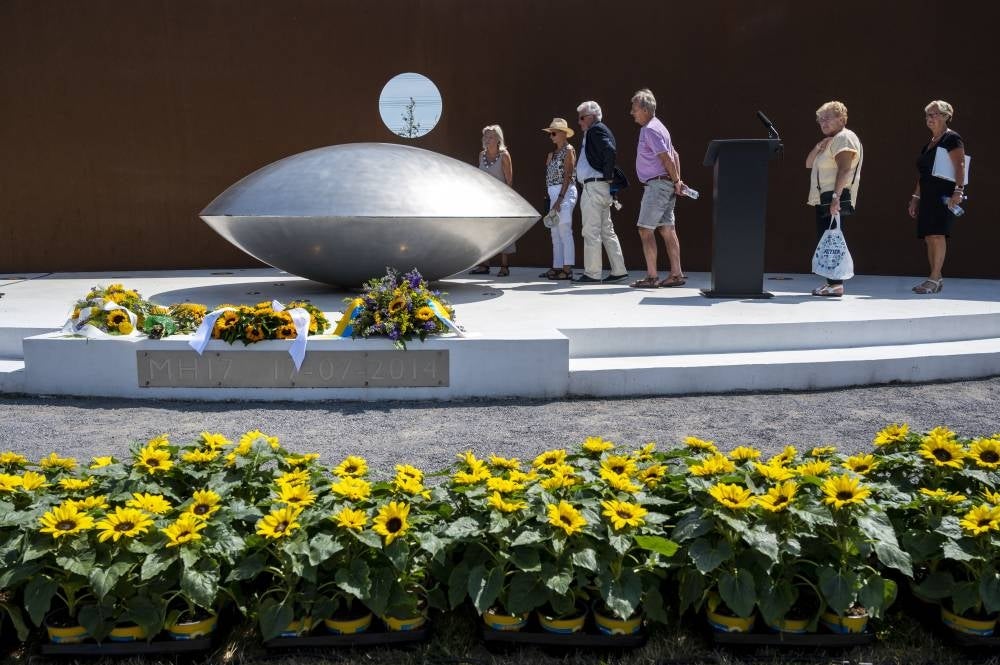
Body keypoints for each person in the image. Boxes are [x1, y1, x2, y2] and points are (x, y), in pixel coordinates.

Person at [626, 89, 687, 288]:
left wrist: (676, 180)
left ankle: (652, 277)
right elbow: (675, 155)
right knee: (668, 230)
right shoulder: (660, 126)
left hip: (657, 186)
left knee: (645, 229)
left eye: (634, 109)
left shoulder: (649, 129)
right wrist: (677, 181)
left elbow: (667, 157)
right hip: (666, 184)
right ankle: (676, 274)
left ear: (644, 109)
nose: (632, 113)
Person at [907, 100, 967, 294]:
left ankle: (934, 278)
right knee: (929, 237)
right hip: (928, 196)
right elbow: (923, 175)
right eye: (927, 115)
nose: (929, 119)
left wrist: (958, 191)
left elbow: (960, 166)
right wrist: (916, 197)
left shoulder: (952, 138)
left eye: (934, 114)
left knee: (937, 235)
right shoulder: (929, 145)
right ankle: (935, 277)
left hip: (944, 195)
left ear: (946, 116)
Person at [805, 101, 862, 297]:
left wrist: (836, 197)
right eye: (820, 120)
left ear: (841, 118)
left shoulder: (844, 137)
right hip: (826, 197)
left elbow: (845, 169)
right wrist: (818, 146)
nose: (823, 122)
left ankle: (836, 284)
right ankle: (832, 283)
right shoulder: (832, 140)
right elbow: (808, 163)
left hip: (834, 196)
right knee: (827, 239)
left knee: (832, 240)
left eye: (827, 118)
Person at [573, 101, 629, 284]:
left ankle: (592, 273)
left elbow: (610, 151)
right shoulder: (597, 130)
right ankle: (619, 270)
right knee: (607, 230)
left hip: (594, 187)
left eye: (581, 118)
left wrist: (607, 174)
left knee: (591, 231)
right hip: (600, 188)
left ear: (590, 117)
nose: (579, 122)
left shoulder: (595, 130)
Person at [469, 124, 515, 276]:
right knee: (483, 232)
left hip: (501, 200)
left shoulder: (504, 155)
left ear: (498, 139)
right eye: (486, 136)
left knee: (503, 232)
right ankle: (484, 265)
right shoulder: (481, 155)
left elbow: (509, 180)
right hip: (484, 200)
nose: (487, 139)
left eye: (491, 137)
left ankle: (504, 266)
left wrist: (508, 201)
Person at [539, 118, 578, 280]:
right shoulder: (552, 153)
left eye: (554, 133)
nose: (551, 136)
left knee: (564, 229)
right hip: (554, 194)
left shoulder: (569, 150)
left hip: (565, 192)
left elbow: (568, 176)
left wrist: (560, 198)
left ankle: (567, 268)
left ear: (563, 134)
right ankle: (557, 267)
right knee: (555, 231)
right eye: (551, 133)